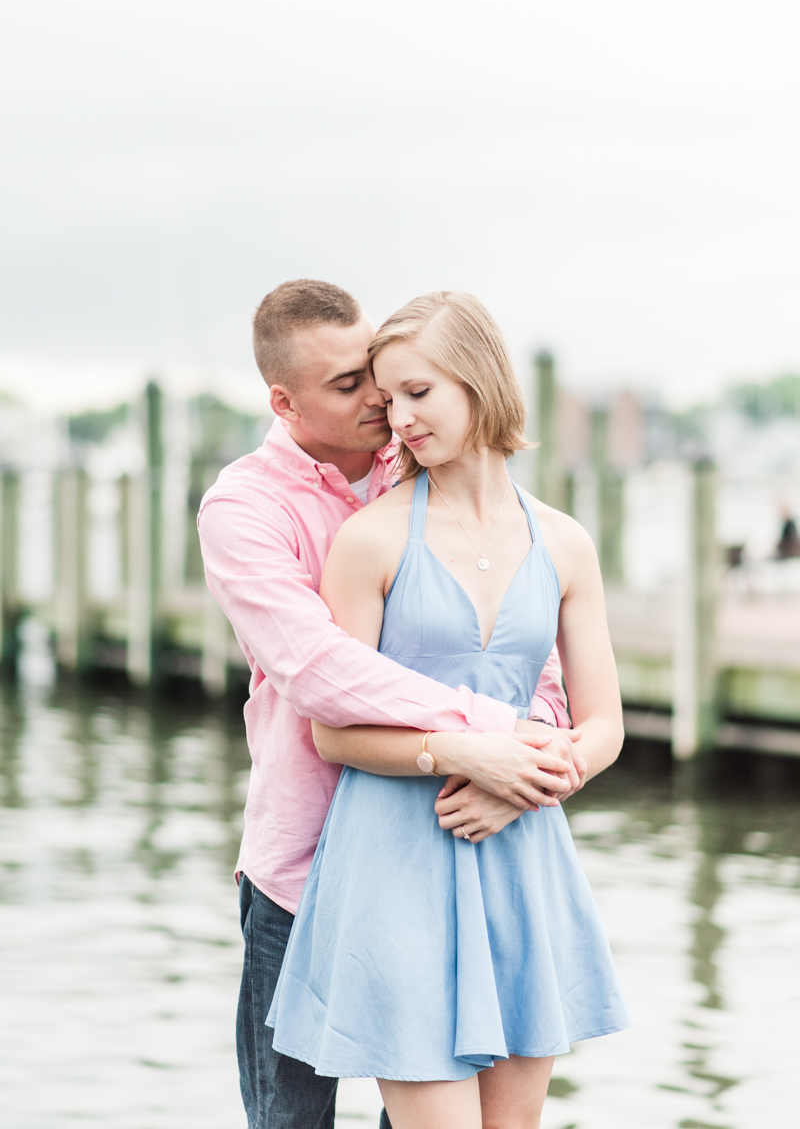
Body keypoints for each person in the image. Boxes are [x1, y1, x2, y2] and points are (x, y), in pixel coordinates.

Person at [197, 280, 577, 1129]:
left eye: (381, 373)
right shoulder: (244, 507)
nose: (379, 398)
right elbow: (319, 670)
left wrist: (530, 757)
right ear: (284, 402)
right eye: (348, 385)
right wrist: (483, 735)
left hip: (442, 847)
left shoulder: (428, 472)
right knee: (292, 1118)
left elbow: (526, 657)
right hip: (304, 860)